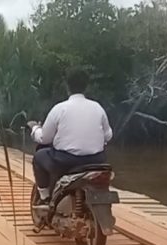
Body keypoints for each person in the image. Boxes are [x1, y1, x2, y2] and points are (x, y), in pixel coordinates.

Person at [28, 68, 113, 203]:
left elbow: (44, 138)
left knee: (39, 157)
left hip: (66, 162)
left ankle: (45, 198)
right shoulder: (98, 108)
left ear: (67, 86)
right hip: (96, 162)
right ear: (86, 86)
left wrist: (35, 129)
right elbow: (108, 136)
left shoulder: (59, 109)